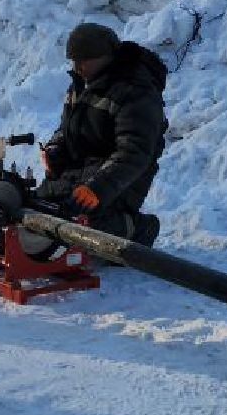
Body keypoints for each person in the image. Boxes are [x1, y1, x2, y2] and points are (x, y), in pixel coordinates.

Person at [36, 22, 167, 247]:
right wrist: (55, 149)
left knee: (81, 225)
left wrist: (98, 188)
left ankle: (137, 229)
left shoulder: (135, 91)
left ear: (106, 57)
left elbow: (133, 153)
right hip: (79, 173)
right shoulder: (81, 84)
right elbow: (65, 128)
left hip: (119, 181)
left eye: (83, 60)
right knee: (37, 206)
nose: (77, 67)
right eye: (74, 61)